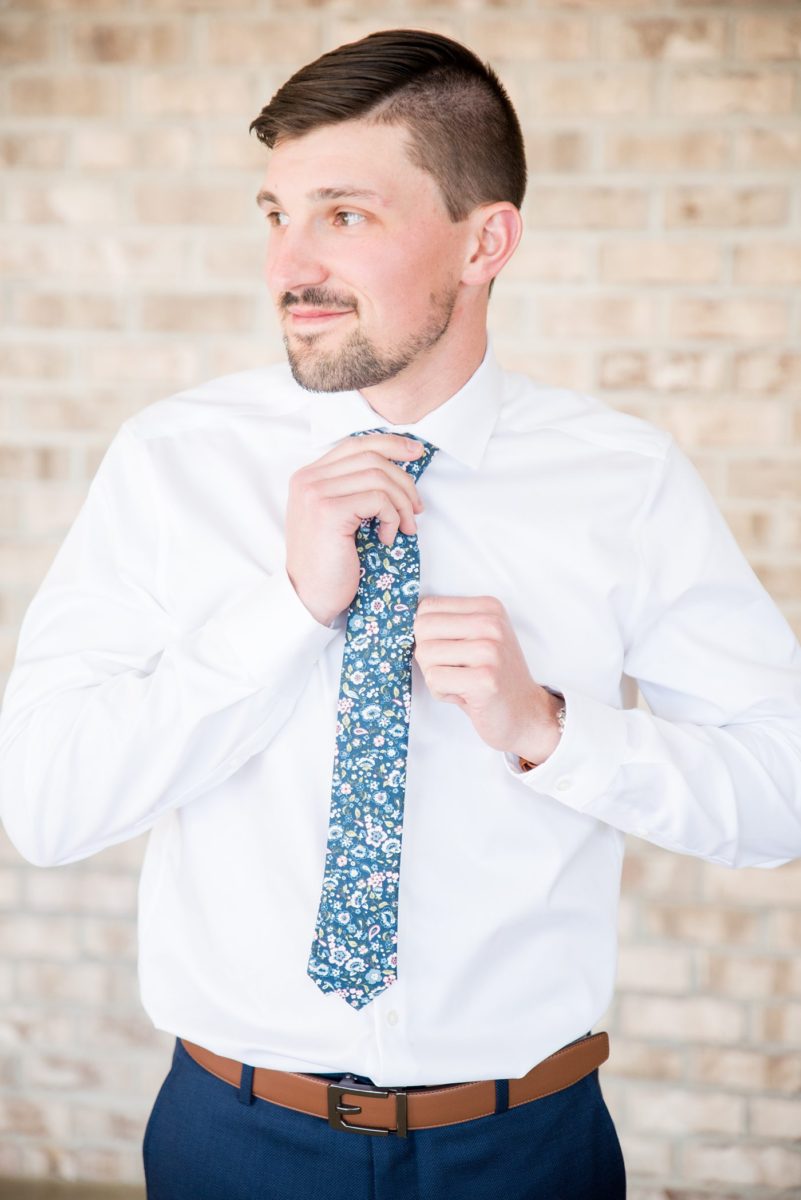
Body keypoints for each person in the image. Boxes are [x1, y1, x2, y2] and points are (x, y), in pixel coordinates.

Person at [1, 26, 800, 1200]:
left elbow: (780, 786)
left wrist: (551, 732)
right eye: (276, 214)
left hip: (528, 1147)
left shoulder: (623, 480)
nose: (289, 266)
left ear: (487, 241)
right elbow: (46, 804)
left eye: (346, 215)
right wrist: (283, 612)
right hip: (234, 1141)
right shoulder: (173, 462)